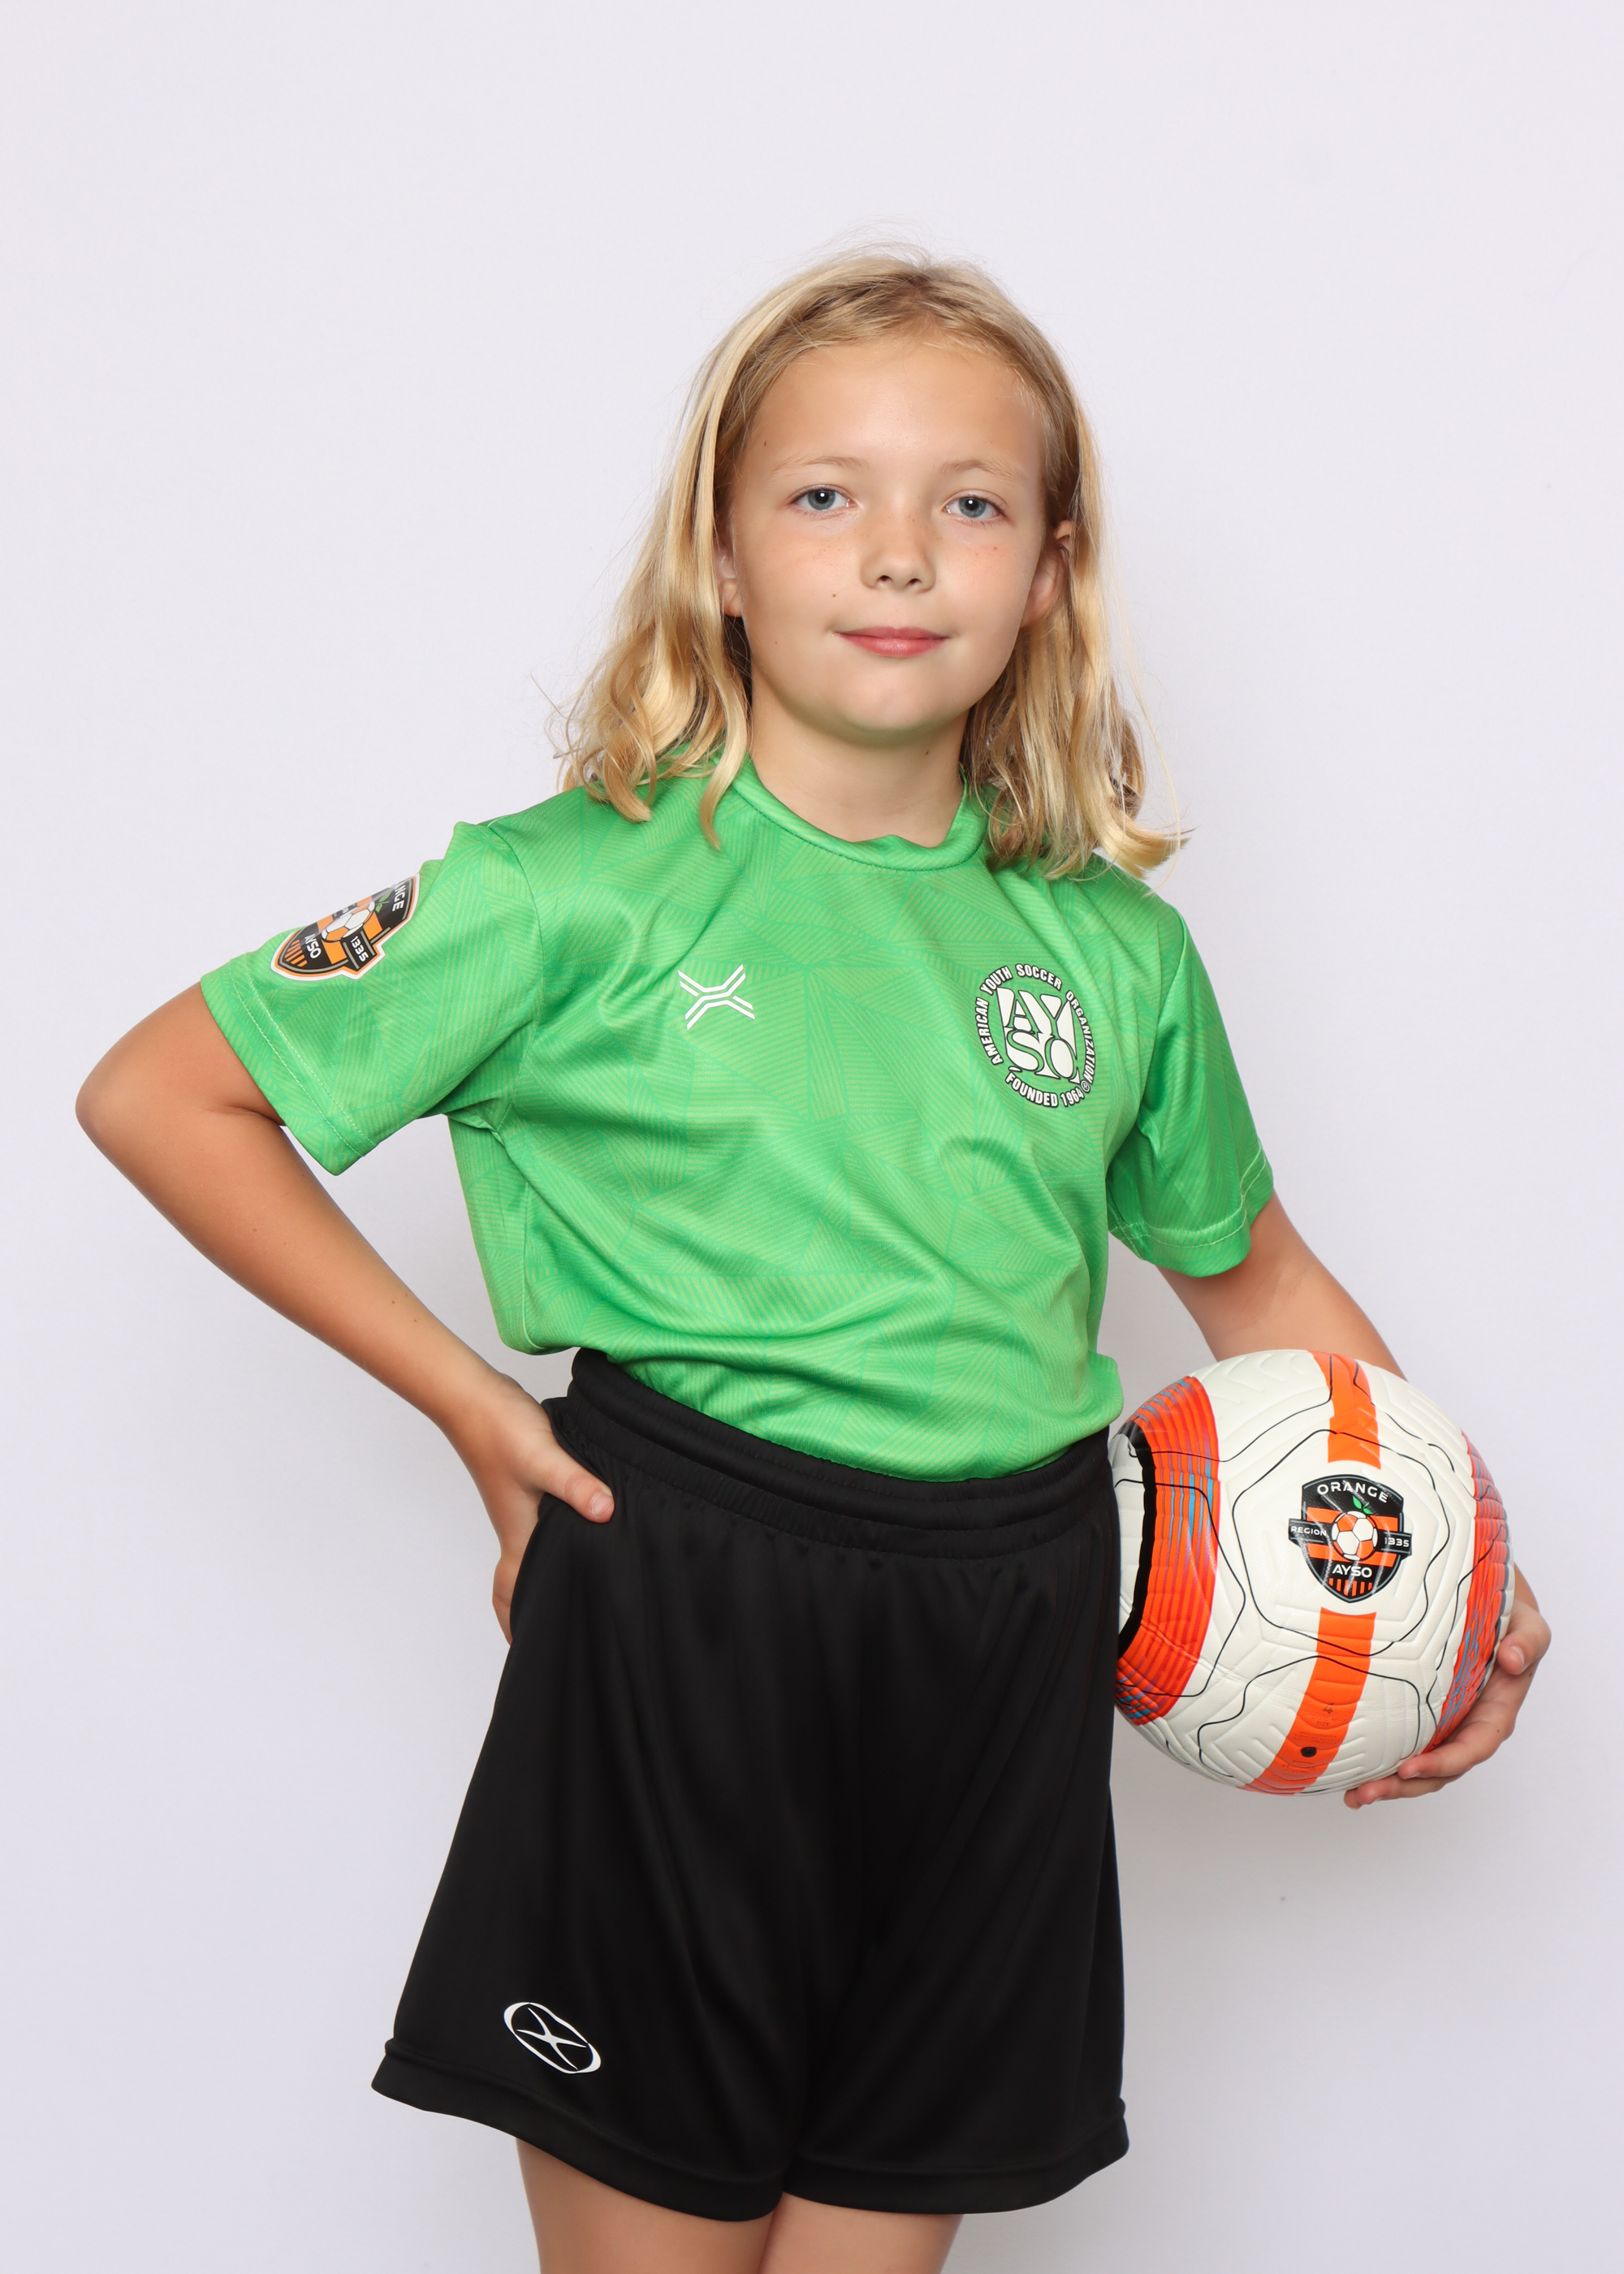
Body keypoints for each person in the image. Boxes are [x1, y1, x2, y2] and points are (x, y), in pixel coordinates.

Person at [76, 253, 1549, 2274]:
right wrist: (473, 1407)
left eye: (971, 500)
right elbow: (164, 1094)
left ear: (1049, 572)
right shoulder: (569, 890)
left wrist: (1450, 1566)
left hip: (1014, 1634)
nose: (898, 550)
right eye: (825, 492)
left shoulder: (1114, 952)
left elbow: (1265, 1286)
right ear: (720, 549)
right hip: (684, 1611)